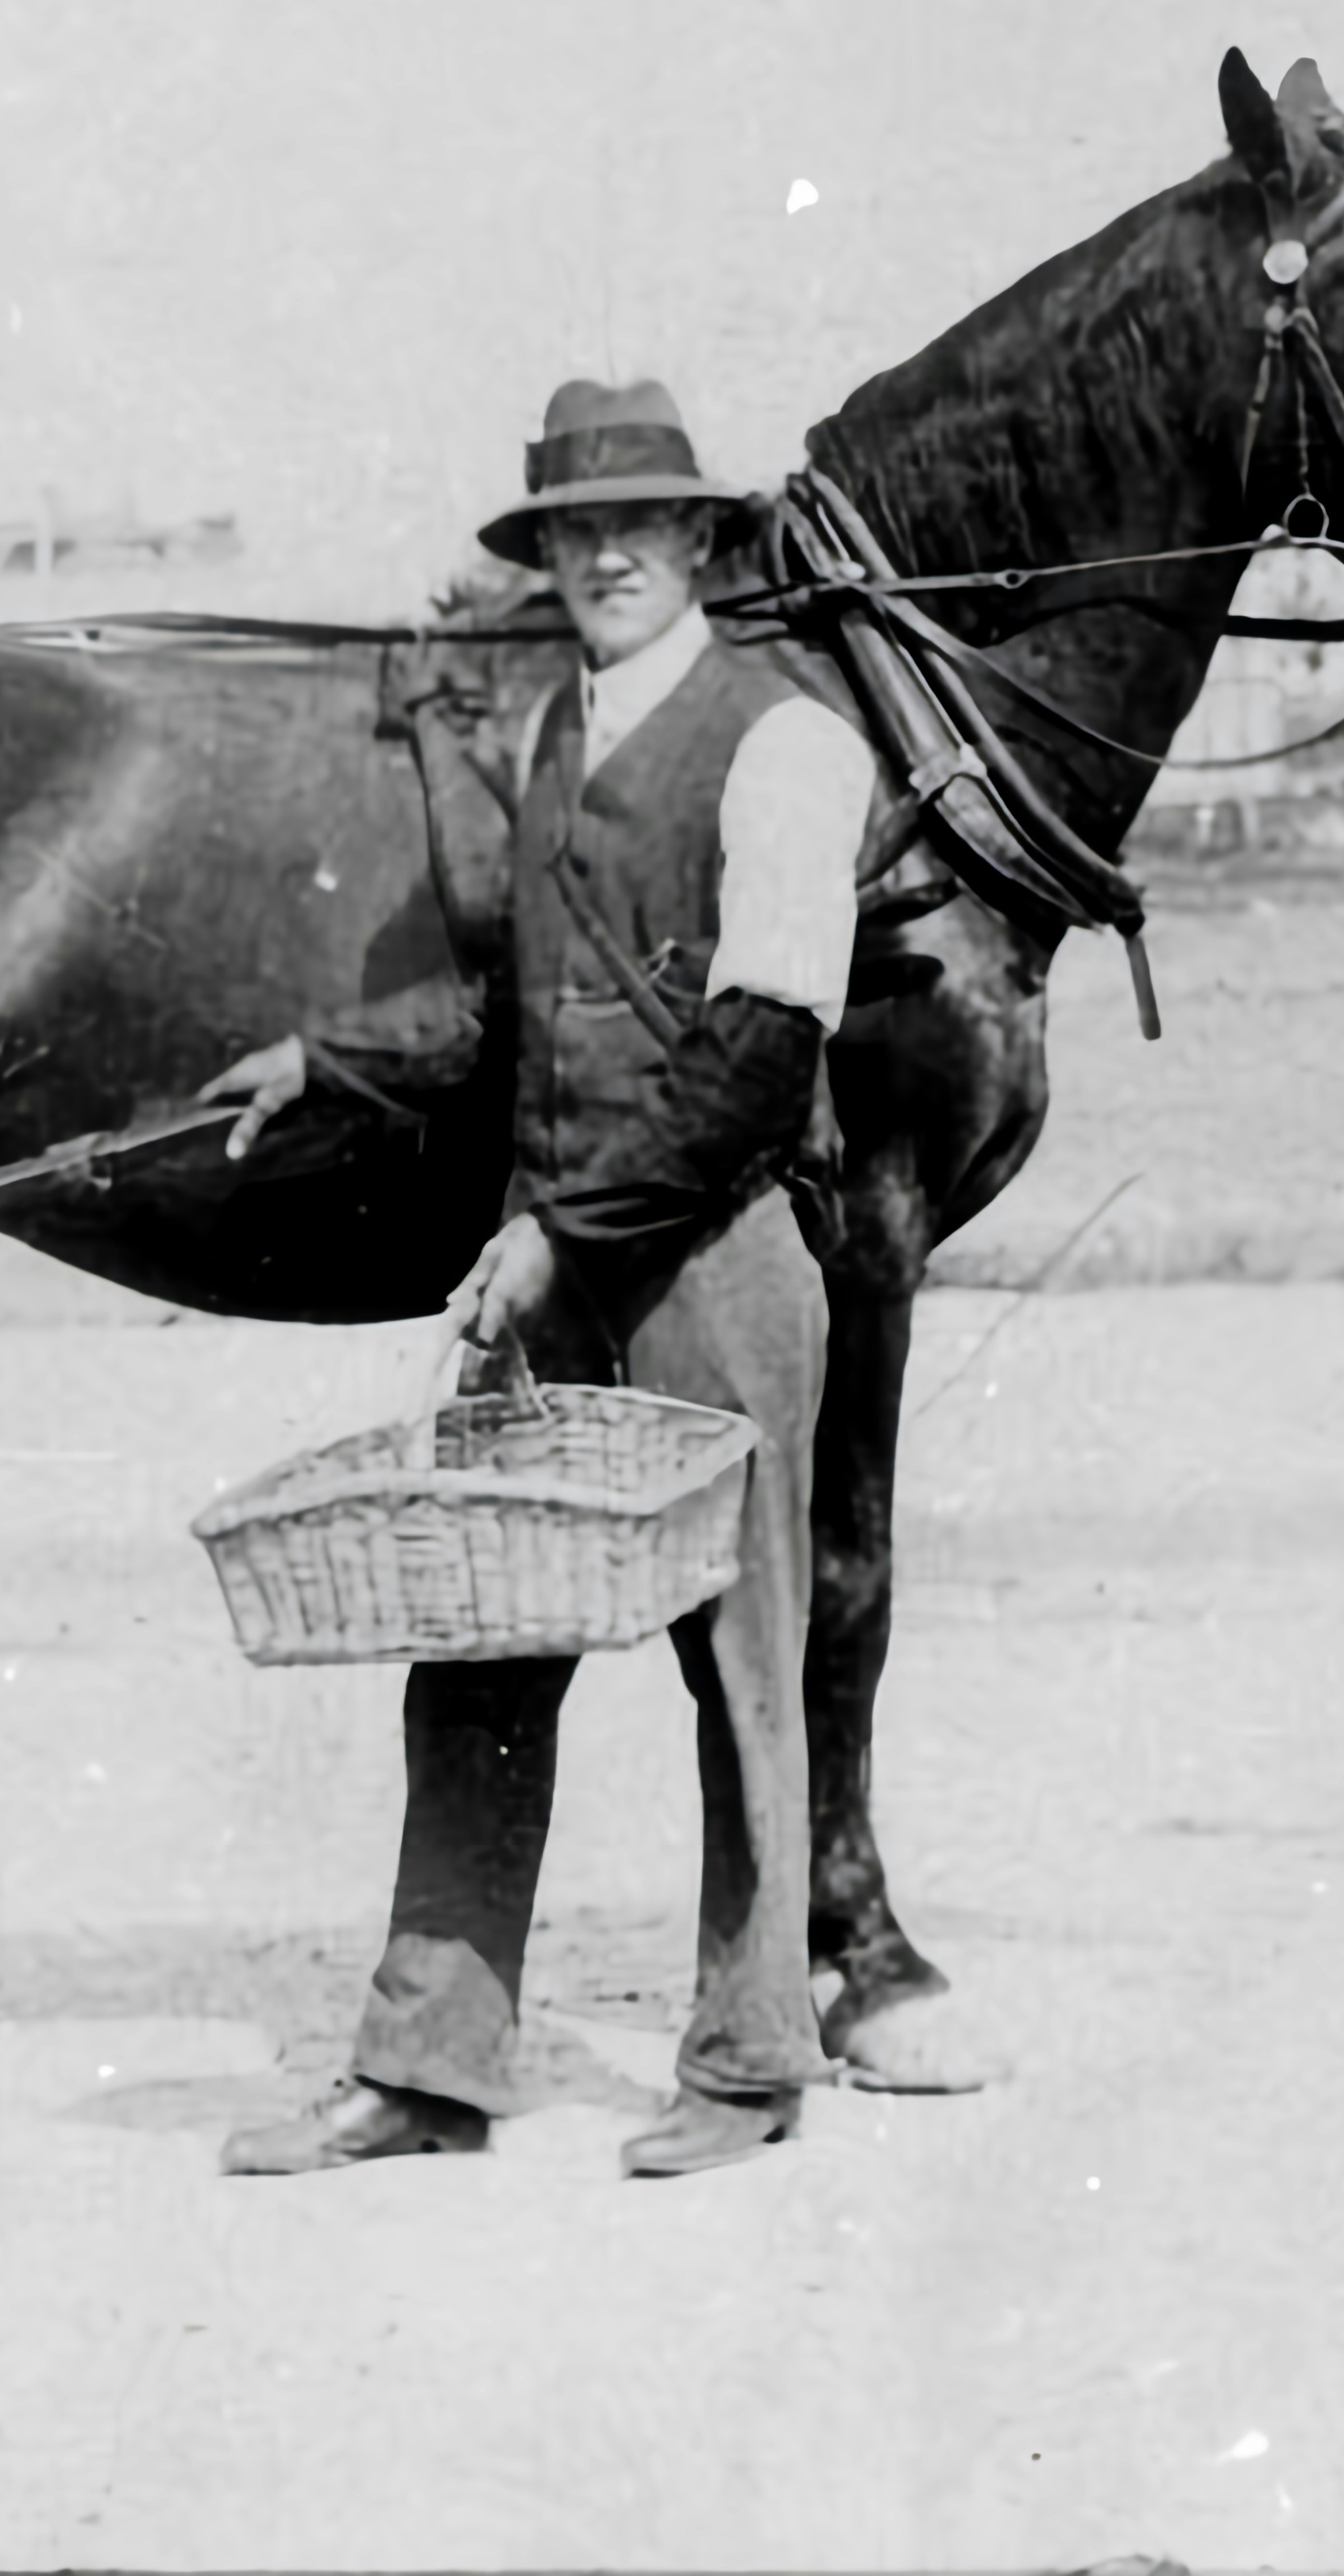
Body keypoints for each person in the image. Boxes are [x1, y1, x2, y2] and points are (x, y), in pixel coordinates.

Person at [196, 376, 877, 2182]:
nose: (609, 558)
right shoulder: (556, 731)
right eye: (578, 534)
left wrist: (569, 1230)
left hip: (714, 1264)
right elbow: (514, 1012)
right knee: (478, 1654)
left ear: (704, 544)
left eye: (641, 527)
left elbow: (753, 1057)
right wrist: (332, 1064)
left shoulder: (788, 742)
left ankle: (746, 2061)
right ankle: (431, 2068)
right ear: (550, 558)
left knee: (743, 1668)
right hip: (560, 1252)